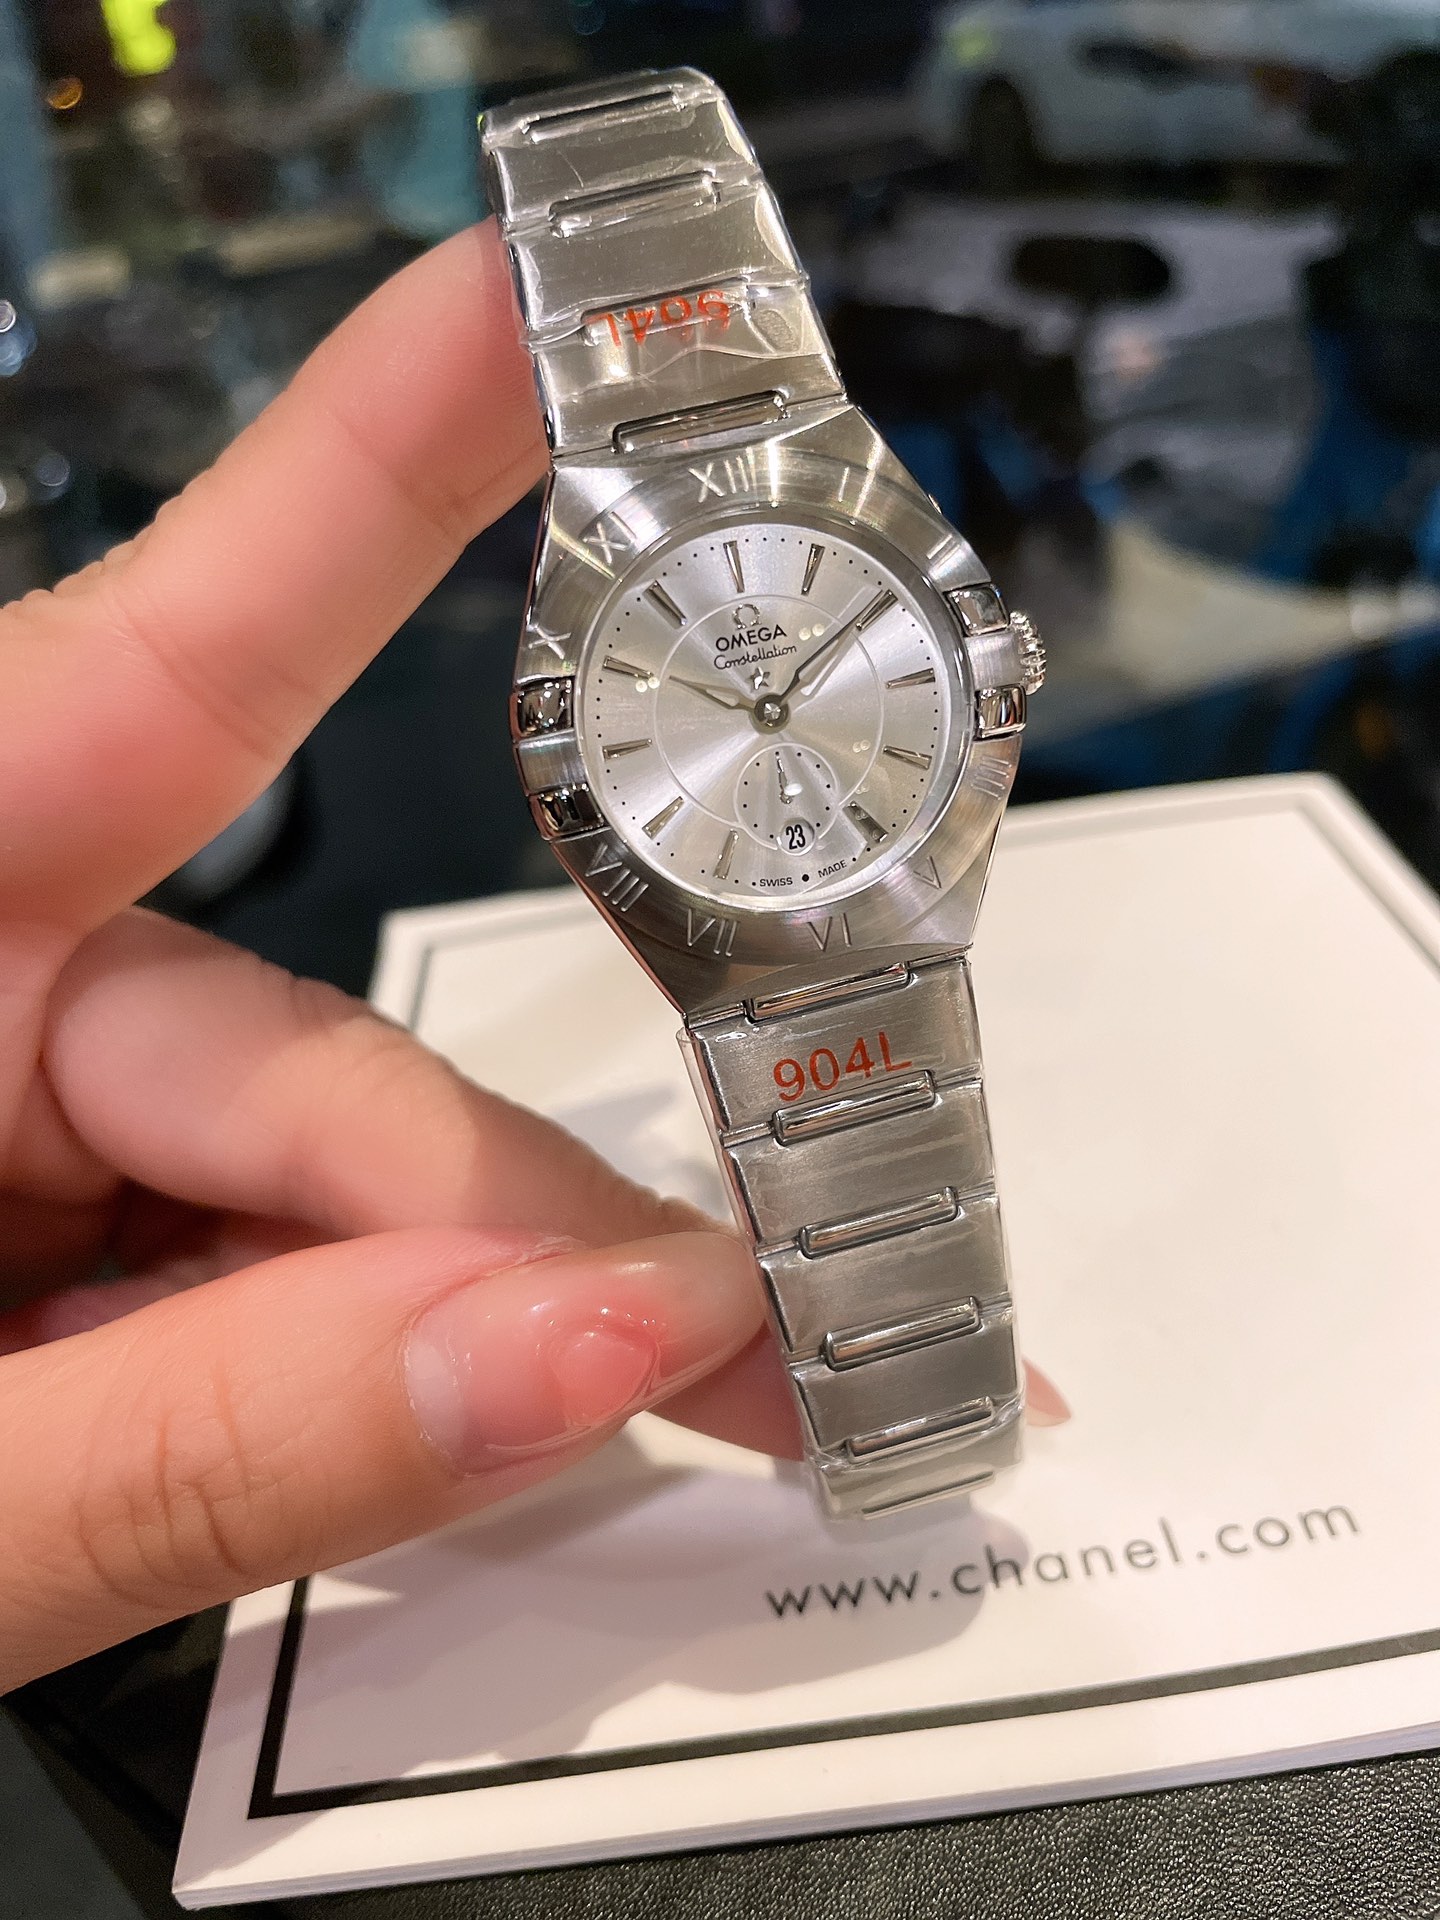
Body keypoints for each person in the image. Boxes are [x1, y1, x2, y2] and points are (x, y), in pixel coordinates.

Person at [0, 221, 1066, 1694]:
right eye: (743, 701)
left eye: (791, 689)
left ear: (986, 666)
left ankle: (923, 1418)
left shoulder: (874, 584)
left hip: (891, 907)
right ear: (574, 773)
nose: (768, 709)